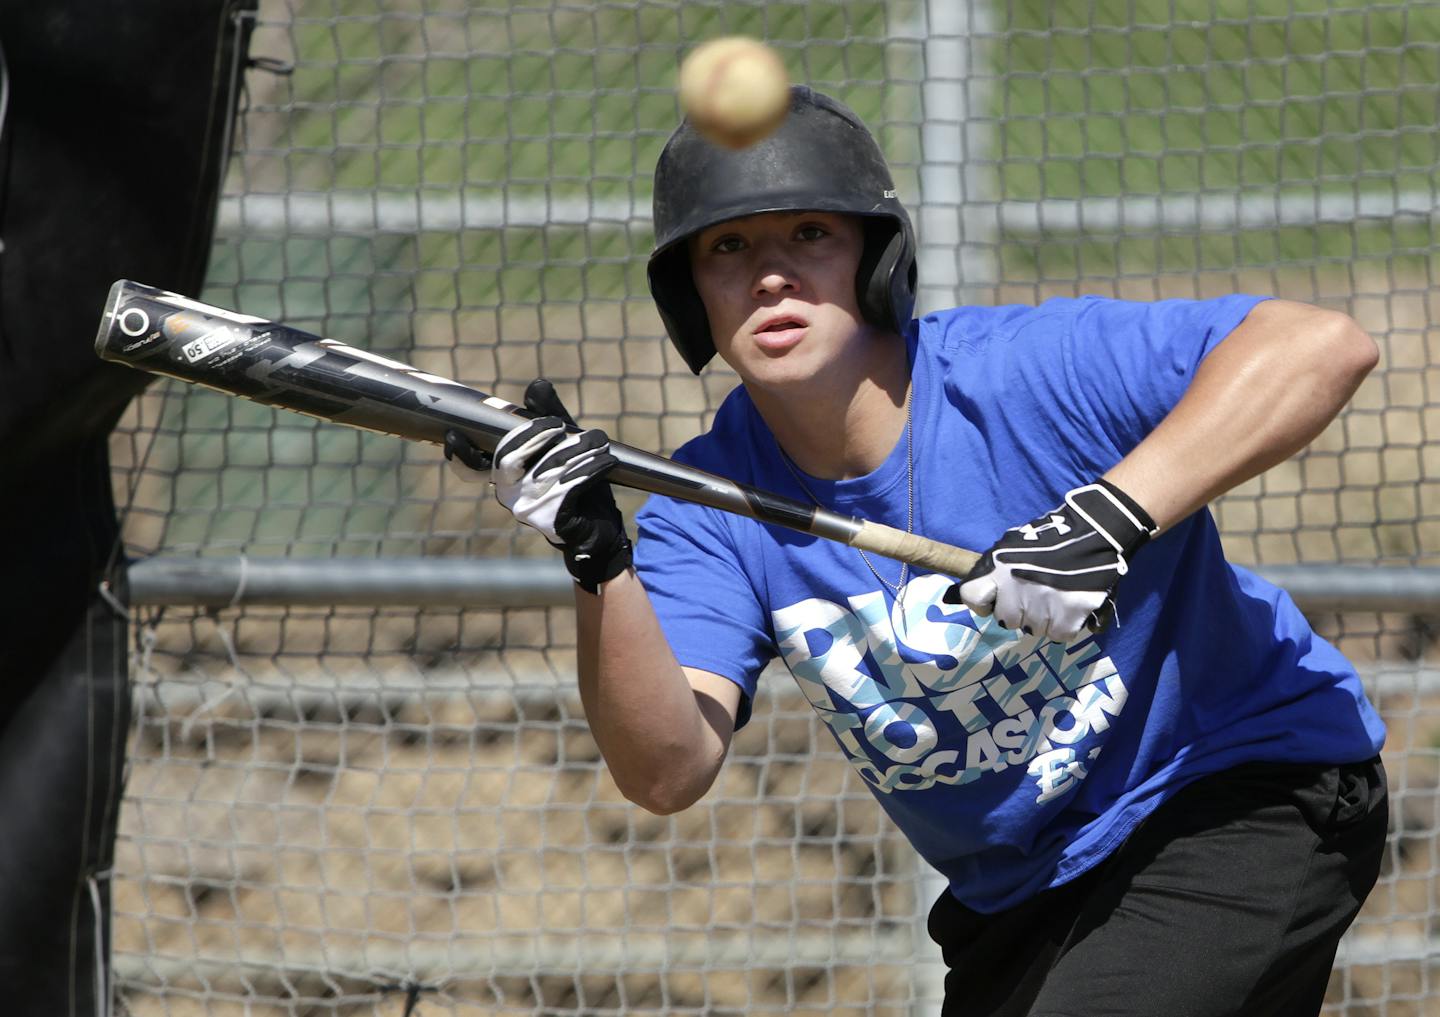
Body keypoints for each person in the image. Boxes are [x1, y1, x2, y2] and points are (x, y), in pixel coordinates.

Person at [446, 86, 1388, 1016]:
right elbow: (665, 769)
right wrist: (597, 559)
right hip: (1022, 888)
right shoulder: (709, 507)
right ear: (691, 293)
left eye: (809, 234)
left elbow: (1319, 345)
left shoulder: (1016, 375)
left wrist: (1106, 518)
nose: (771, 274)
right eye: (729, 247)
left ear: (872, 258)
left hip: (1233, 787)